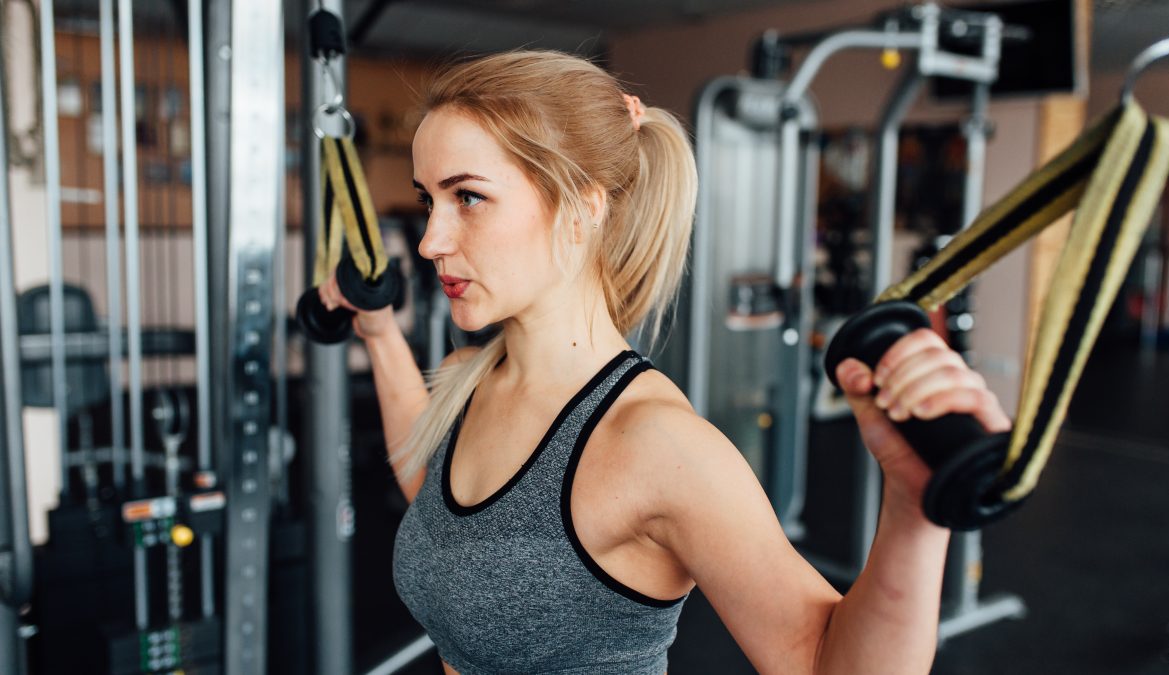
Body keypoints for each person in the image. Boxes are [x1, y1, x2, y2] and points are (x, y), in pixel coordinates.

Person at [319, 50, 1011, 675]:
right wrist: (379, 334)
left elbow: (825, 663)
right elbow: (437, 498)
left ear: (583, 207)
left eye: (467, 196)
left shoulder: (657, 446)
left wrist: (915, 512)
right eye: (427, 199)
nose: (432, 239)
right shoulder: (473, 376)